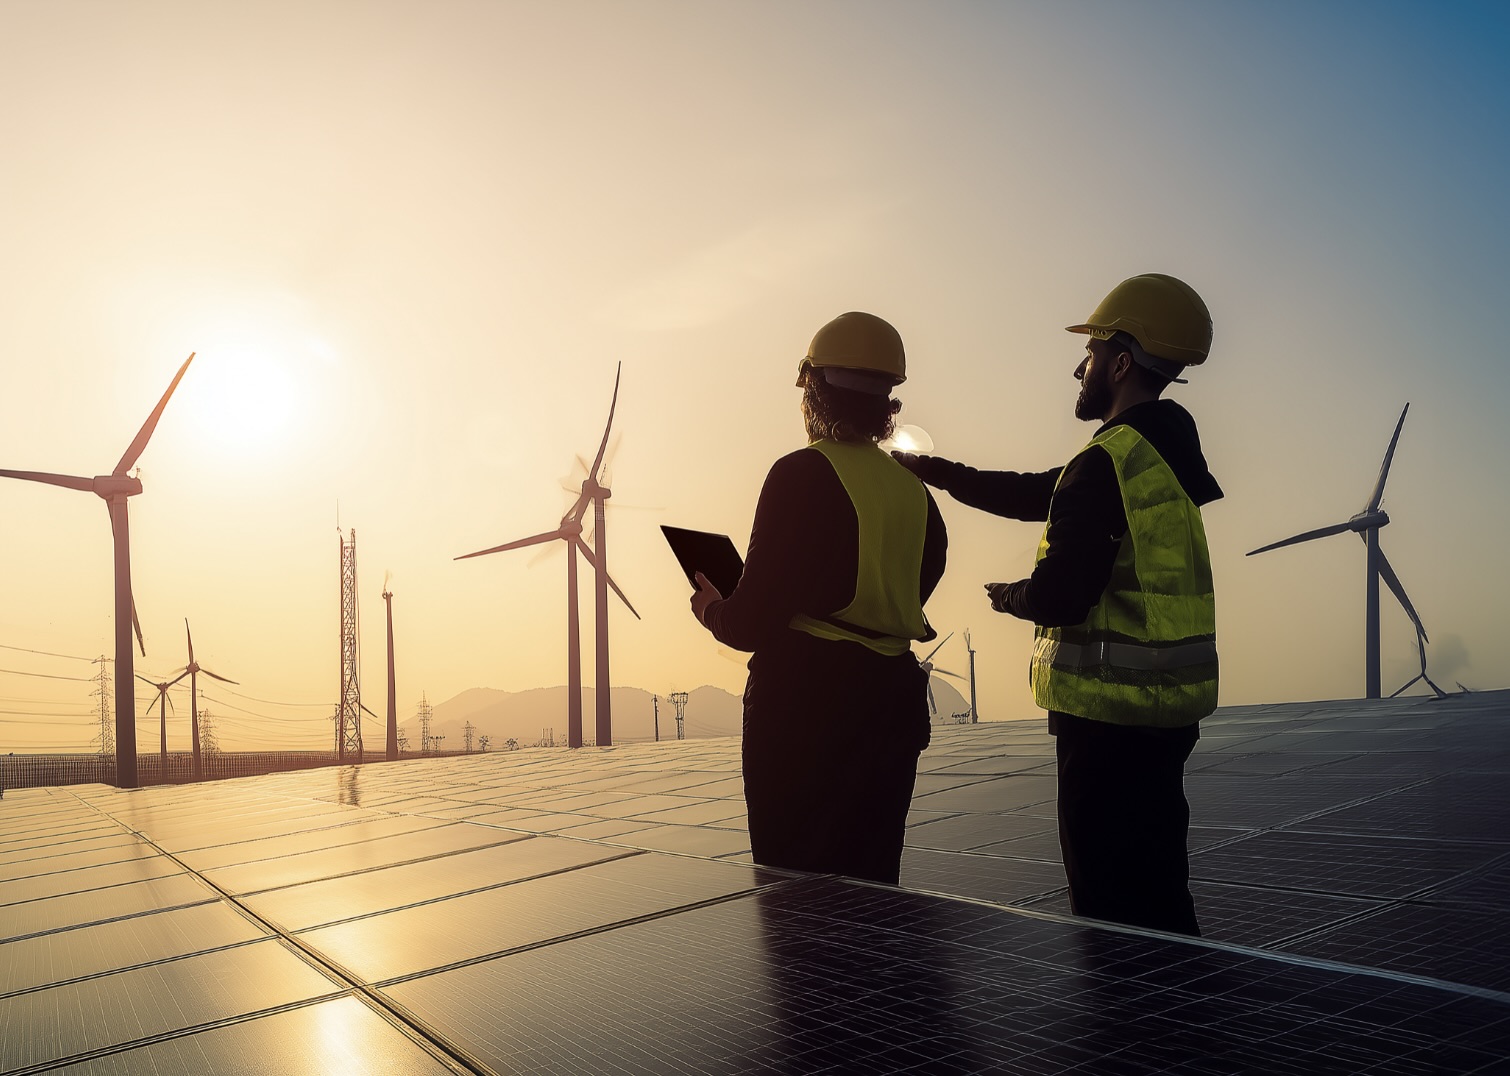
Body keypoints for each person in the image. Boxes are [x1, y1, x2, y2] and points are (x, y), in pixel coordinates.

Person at [895, 274, 1221, 935]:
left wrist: (1012, 597)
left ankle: (1132, 1031)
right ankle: (1180, 1028)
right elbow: (1037, 493)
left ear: (1122, 363)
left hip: (1107, 725)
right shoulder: (1155, 455)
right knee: (1158, 894)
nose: (1082, 368)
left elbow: (1065, 592)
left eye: (1093, 354)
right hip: (1162, 717)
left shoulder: (1107, 463)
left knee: (1110, 909)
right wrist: (934, 470)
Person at [689, 311, 948, 886]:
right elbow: (917, 582)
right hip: (892, 704)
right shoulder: (915, 492)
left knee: (796, 898)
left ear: (815, 391)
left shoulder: (798, 475)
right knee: (873, 887)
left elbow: (751, 623)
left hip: (805, 709)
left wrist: (712, 608)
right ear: (887, 403)